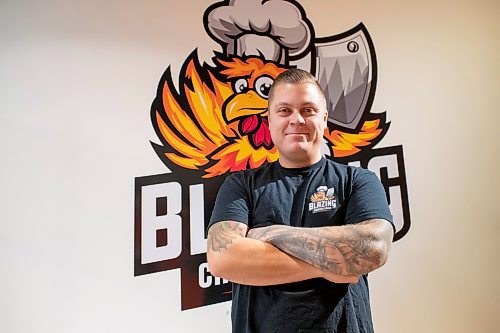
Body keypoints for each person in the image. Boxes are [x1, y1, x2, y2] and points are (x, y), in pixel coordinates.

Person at [207, 68, 395, 333]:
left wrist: (268, 235)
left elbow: (374, 247)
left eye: (308, 110)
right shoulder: (241, 185)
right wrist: (331, 266)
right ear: (269, 119)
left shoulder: (357, 180)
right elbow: (222, 259)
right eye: (284, 111)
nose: (297, 119)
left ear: (325, 119)